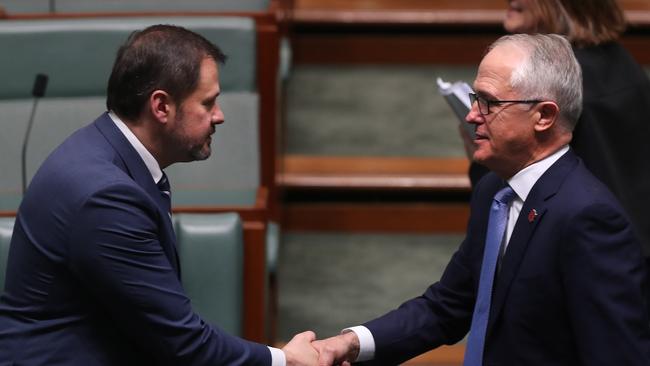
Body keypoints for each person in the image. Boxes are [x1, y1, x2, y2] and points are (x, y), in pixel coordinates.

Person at [313, 34, 650, 365]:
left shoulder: (588, 217)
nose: (472, 115)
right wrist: (351, 343)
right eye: (475, 98)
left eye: (488, 103)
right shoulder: (495, 191)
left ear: (544, 116)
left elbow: (616, 356)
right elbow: (448, 306)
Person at [0, 24, 318, 365]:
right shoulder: (106, 197)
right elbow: (183, 343)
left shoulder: (106, 153)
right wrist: (284, 360)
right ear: (161, 107)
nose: (219, 116)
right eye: (208, 103)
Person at [468, 0, 650, 267]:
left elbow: (515, 186)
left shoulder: (560, 82)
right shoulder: (621, 60)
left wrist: (482, 156)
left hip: (587, 259)